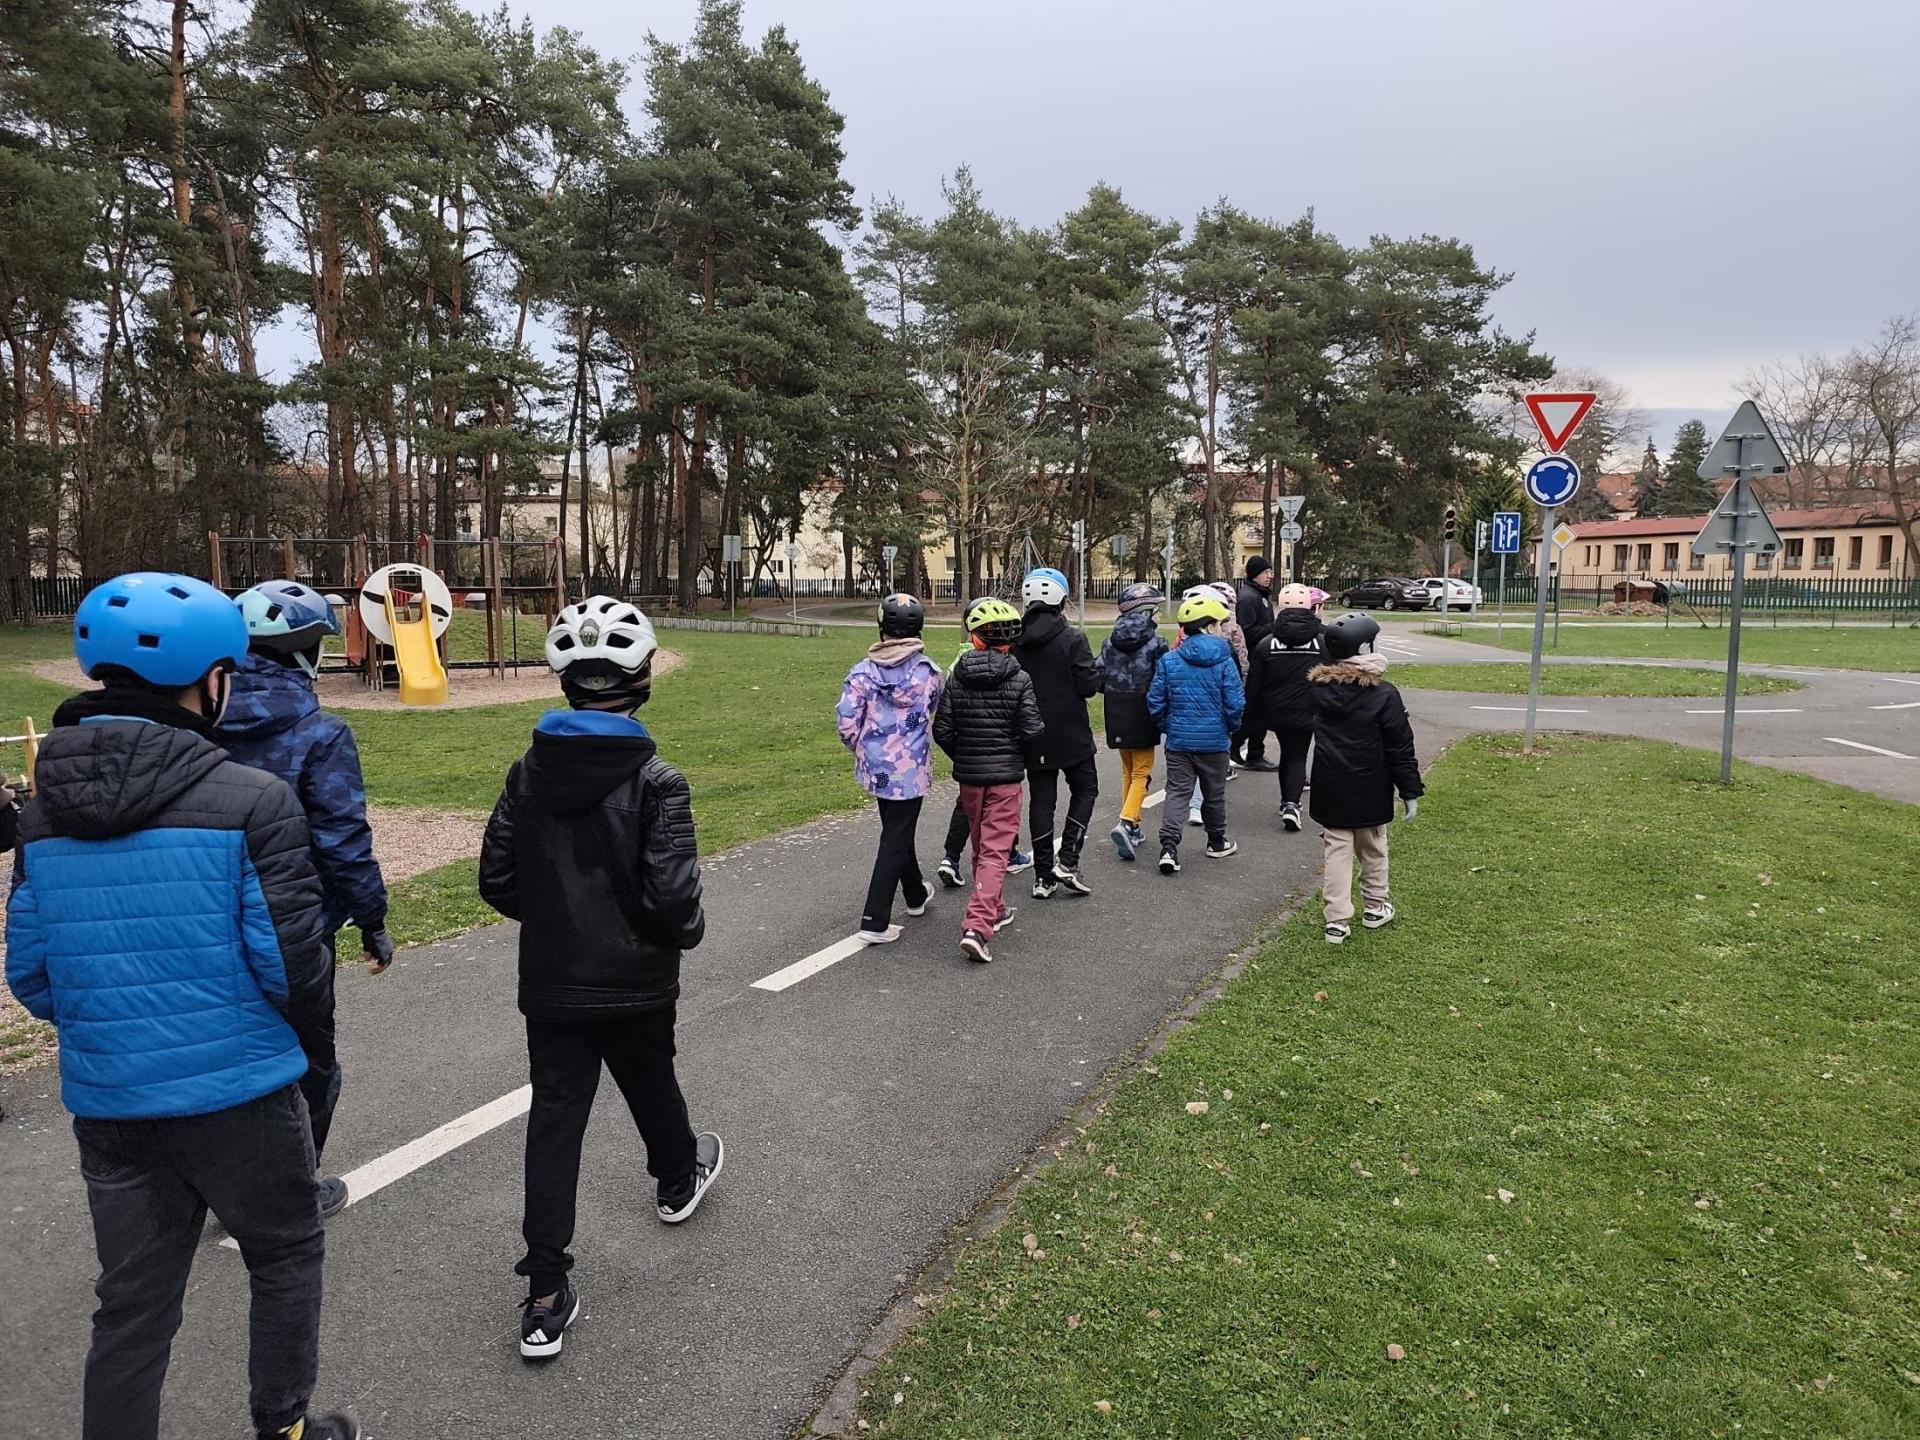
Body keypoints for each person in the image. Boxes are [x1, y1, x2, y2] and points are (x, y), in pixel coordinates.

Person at [5, 573, 355, 1440]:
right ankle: (285, 1426)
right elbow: (294, 970)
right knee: (284, 1253)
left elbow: (34, 975)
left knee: (132, 1303)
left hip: (112, 1102)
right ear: (213, 682)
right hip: (242, 1094)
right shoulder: (252, 801)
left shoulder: (41, 815)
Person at [479, 596, 722, 1362]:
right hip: (637, 977)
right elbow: (674, 899)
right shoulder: (658, 781)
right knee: (651, 1081)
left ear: (565, 682)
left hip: (554, 981)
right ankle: (677, 1178)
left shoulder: (527, 773)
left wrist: (558, 919)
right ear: (642, 678)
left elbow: (496, 879)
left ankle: (546, 1292)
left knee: (555, 1121)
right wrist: (679, 932)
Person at [218, 580, 392, 1218]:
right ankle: (292, 1191)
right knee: (308, 1063)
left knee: (226, 1055)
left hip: (209, 918)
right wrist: (372, 919)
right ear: (305, 652)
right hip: (295, 924)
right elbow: (342, 839)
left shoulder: (193, 722)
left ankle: (222, 1184)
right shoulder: (319, 734)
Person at [932, 597, 1045, 964]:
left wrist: (965, 756)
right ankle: (977, 927)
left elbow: (942, 730)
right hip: (1005, 778)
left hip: (971, 777)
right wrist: (1014, 754)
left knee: (983, 847)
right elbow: (1032, 729)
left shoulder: (958, 676)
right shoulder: (1020, 678)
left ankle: (994, 908)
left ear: (975, 637)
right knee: (996, 851)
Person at [1307, 612, 1423, 944]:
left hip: (1331, 783)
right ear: (1364, 648)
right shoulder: (1383, 694)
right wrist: (1409, 790)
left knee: (1337, 850)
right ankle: (1375, 906)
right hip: (1371, 783)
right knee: (1373, 847)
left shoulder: (1318, 690)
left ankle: (1336, 920)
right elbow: (1400, 745)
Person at [837, 593, 943, 944]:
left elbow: (847, 724)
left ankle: (915, 894)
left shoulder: (861, 673)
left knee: (897, 831)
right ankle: (875, 919)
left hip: (876, 768)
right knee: (896, 835)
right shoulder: (928, 673)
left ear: (881, 626)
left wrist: (865, 749)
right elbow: (936, 710)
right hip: (910, 770)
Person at [1012, 567, 1100, 898]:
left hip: (1032, 731)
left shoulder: (1016, 641)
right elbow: (1088, 686)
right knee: (1086, 789)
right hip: (1071, 731)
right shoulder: (1073, 639)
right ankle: (1069, 860)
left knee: (1042, 801)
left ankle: (1043, 876)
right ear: (1062, 600)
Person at [1148, 591, 1245, 875]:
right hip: (1215, 741)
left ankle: (1169, 847)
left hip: (1179, 741)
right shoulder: (1225, 660)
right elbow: (1235, 702)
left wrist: (1167, 726)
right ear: (1209, 626)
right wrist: (1230, 727)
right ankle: (1216, 841)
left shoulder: (1170, 660)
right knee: (1214, 793)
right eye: (1218, 624)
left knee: (1177, 793)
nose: (1221, 629)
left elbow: (1155, 701)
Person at [1096, 582, 1168, 861]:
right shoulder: (1157, 643)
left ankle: (1134, 826)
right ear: (1147, 611)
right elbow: (1162, 680)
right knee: (1142, 771)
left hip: (1116, 708)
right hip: (1143, 709)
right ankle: (1126, 820)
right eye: (1157, 609)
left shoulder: (1109, 642)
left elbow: (1098, 675)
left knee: (1128, 770)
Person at [1247, 582, 1325, 833]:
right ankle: (1291, 803)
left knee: (1287, 753)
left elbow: (1254, 685)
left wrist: (1250, 717)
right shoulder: (1323, 642)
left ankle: (1287, 802)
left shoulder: (1266, 644)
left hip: (1276, 710)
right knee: (1297, 755)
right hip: (1309, 709)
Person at [1178, 584, 1250, 827]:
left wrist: (1167, 721)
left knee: (1181, 776)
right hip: (1215, 717)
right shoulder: (1227, 646)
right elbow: (1240, 669)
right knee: (1211, 774)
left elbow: (1161, 690)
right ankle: (1215, 835)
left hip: (1184, 715)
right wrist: (1233, 721)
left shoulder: (1180, 642)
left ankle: (1171, 836)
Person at [1233, 556, 1277, 771]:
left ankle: (1250, 751)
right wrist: (1273, 629)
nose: (1270, 576)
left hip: (1262, 660)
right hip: (1253, 661)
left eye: (1270, 572)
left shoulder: (1260, 596)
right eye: (1265, 572)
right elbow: (1246, 631)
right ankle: (1243, 748)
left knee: (1258, 710)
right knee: (1255, 710)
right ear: (1254, 575)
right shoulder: (1249, 598)